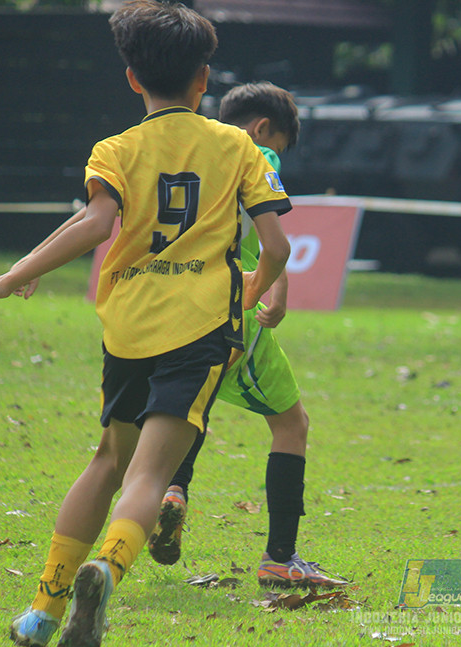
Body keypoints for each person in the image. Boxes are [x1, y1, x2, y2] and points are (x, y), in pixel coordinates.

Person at [0, 1, 292, 647]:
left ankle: (41, 611)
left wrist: (8, 275)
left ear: (133, 79)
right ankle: (105, 565)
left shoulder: (116, 150)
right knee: (152, 470)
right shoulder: (237, 146)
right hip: (200, 329)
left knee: (108, 458)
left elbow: (94, 225)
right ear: (204, 78)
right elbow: (273, 244)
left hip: (129, 326)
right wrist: (250, 294)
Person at [148, 81, 349, 589]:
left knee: (193, 403)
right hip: (231, 307)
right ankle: (280, 557)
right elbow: (267, 230)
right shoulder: (255, 153)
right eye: (277, 143)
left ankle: (174, 491)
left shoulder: (183, 150)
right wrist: (275, 288)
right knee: (291, 424)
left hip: (167, 310)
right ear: (262, 128)